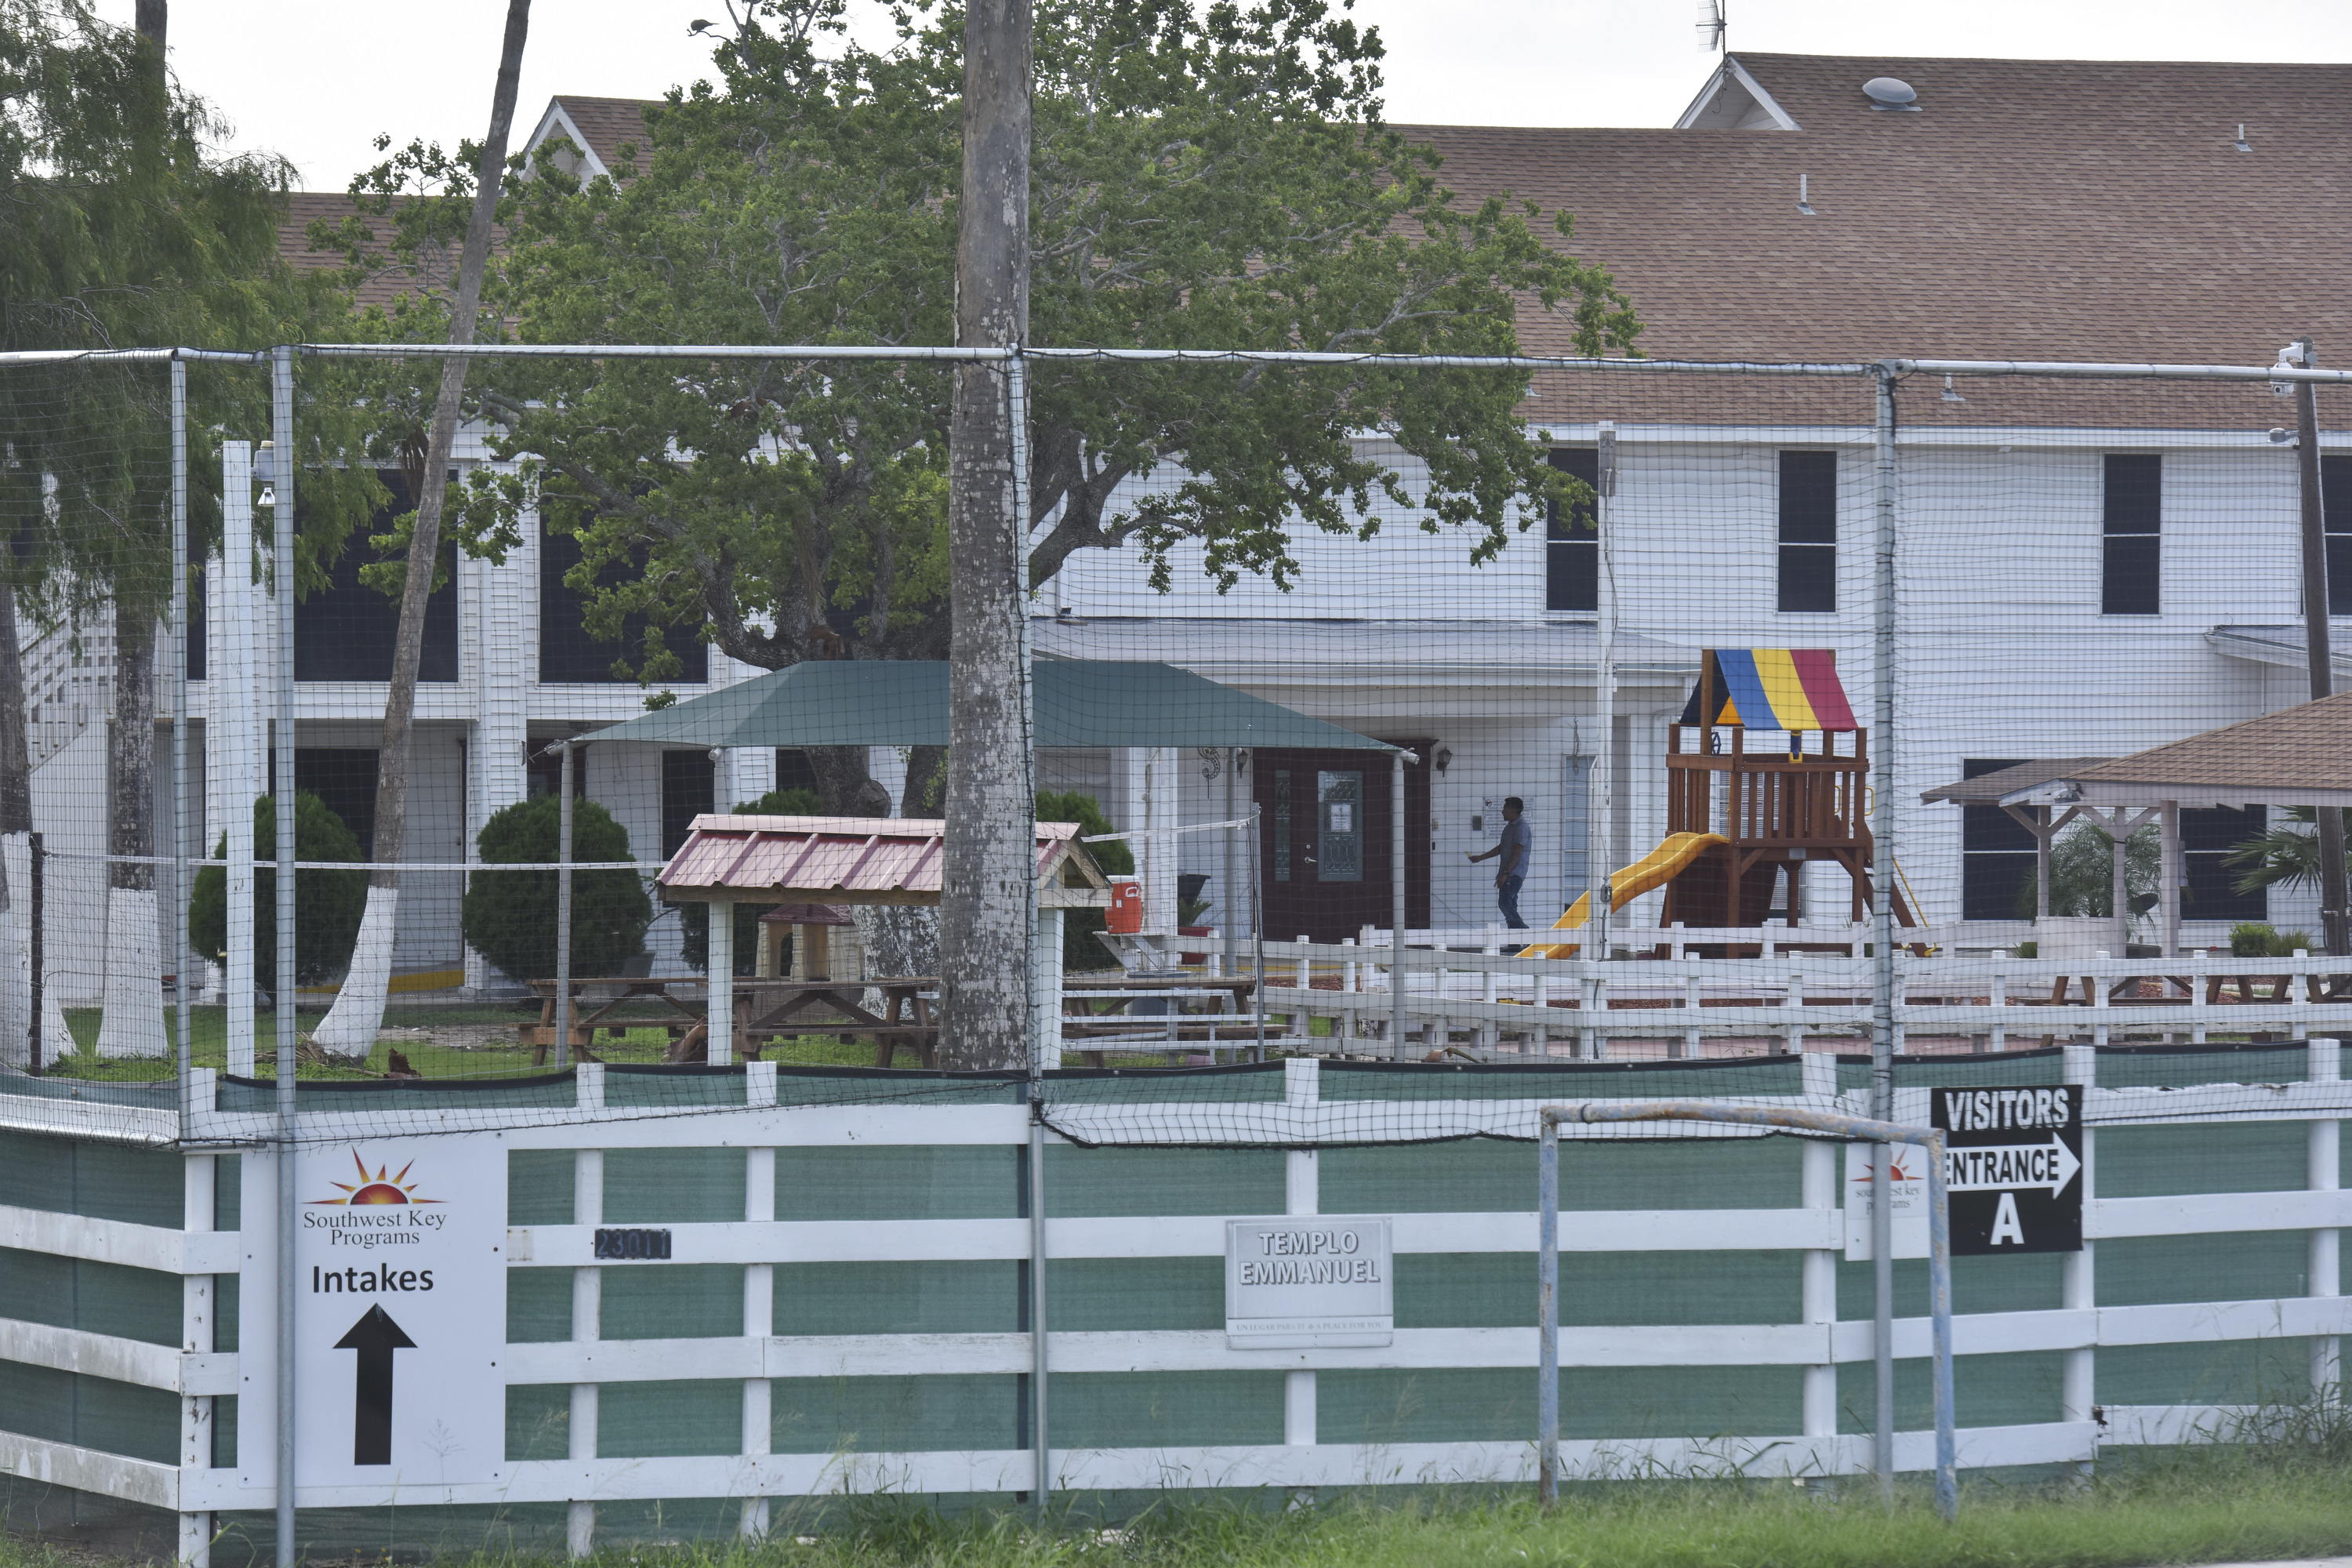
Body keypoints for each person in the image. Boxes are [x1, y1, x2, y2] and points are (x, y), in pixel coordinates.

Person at [1468, 797, 1531, 929]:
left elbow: (1517, 852)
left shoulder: (1521, 828)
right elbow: (1501, 848)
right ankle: (1515, 942)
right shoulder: (1509, 828)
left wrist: (1505, 873)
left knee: (1505, 905)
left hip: (1513, 875)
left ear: (1513, 811)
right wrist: (1481, 857)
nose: (1502, 812)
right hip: (1507, 874)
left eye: (1505, 809)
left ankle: (1525, 933)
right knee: (1510, 906)